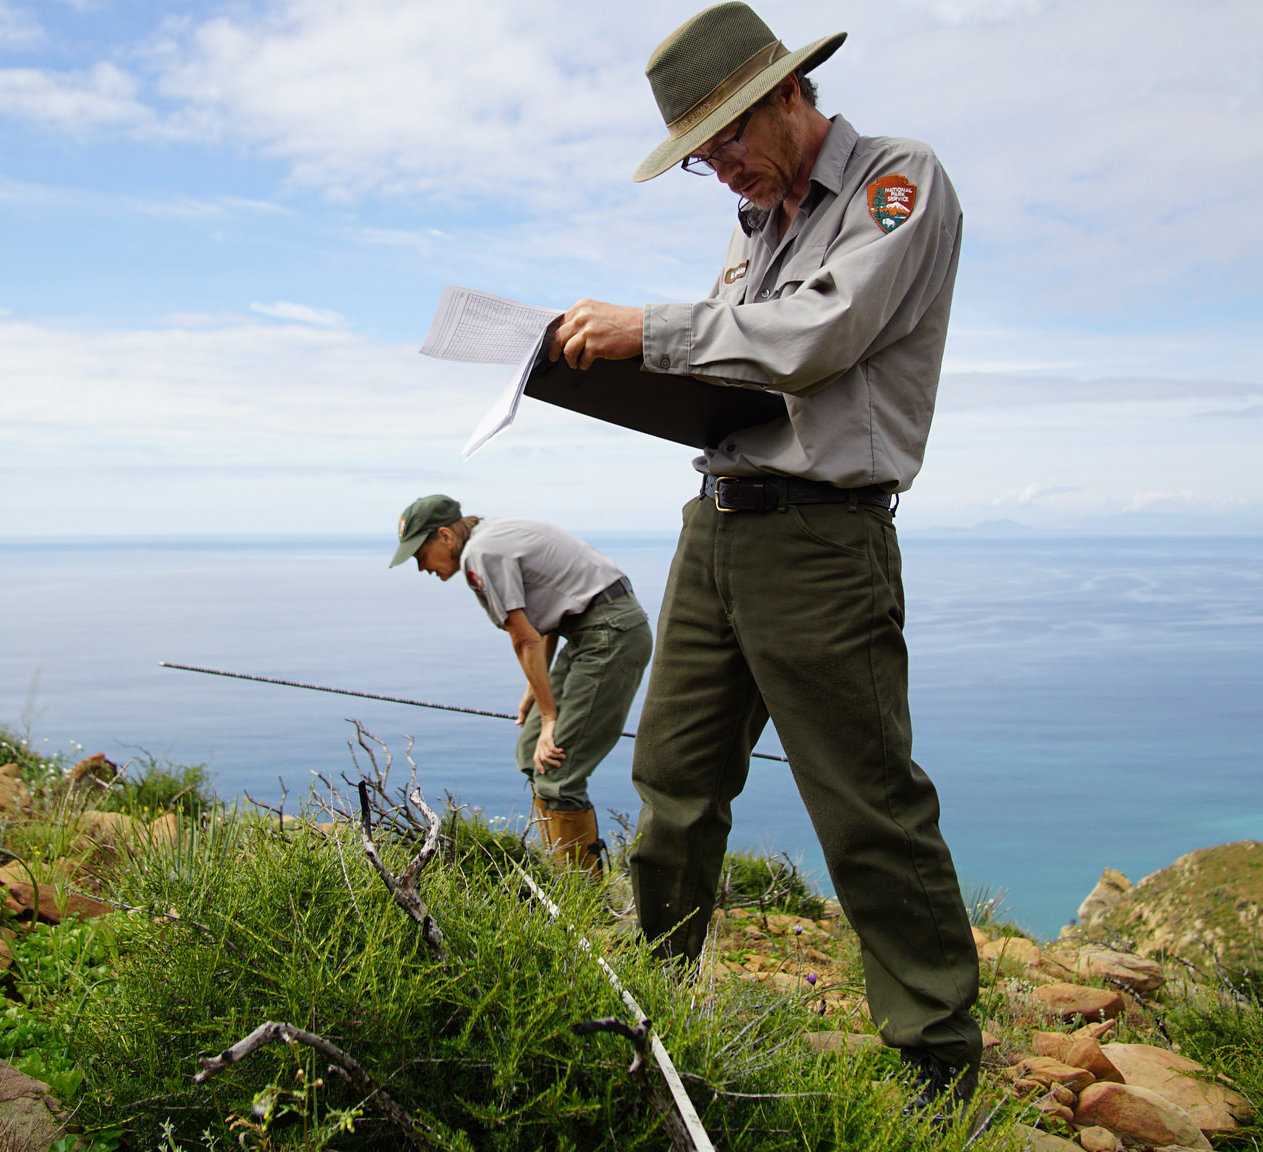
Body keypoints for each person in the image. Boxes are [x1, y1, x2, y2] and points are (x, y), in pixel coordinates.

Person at [544, 2, 982, 1098]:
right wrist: (603, 377)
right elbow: (732, 371)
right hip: (716, 522)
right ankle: (651, 1009)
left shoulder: (898, 180)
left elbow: (820, 333)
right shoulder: (754, 221)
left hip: (823, 541)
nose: (721, 171)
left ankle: (934, 1062)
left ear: (785, 94)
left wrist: (653, 329)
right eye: (700, 159)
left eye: (726, 140)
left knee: (864, 802)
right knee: (671, 780)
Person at [389, 495, 651, 872]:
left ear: (445, 536)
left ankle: (584, 897)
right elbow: (541, 621)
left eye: (419, 554)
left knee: (558, 771)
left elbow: (524, 638)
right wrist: (535, 691)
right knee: (533, 750)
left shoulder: (480, 556)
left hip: (609, 634)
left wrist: (550, 720)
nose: (419, 567)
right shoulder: (492, 534)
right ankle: (563, 873)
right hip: (593, 629)